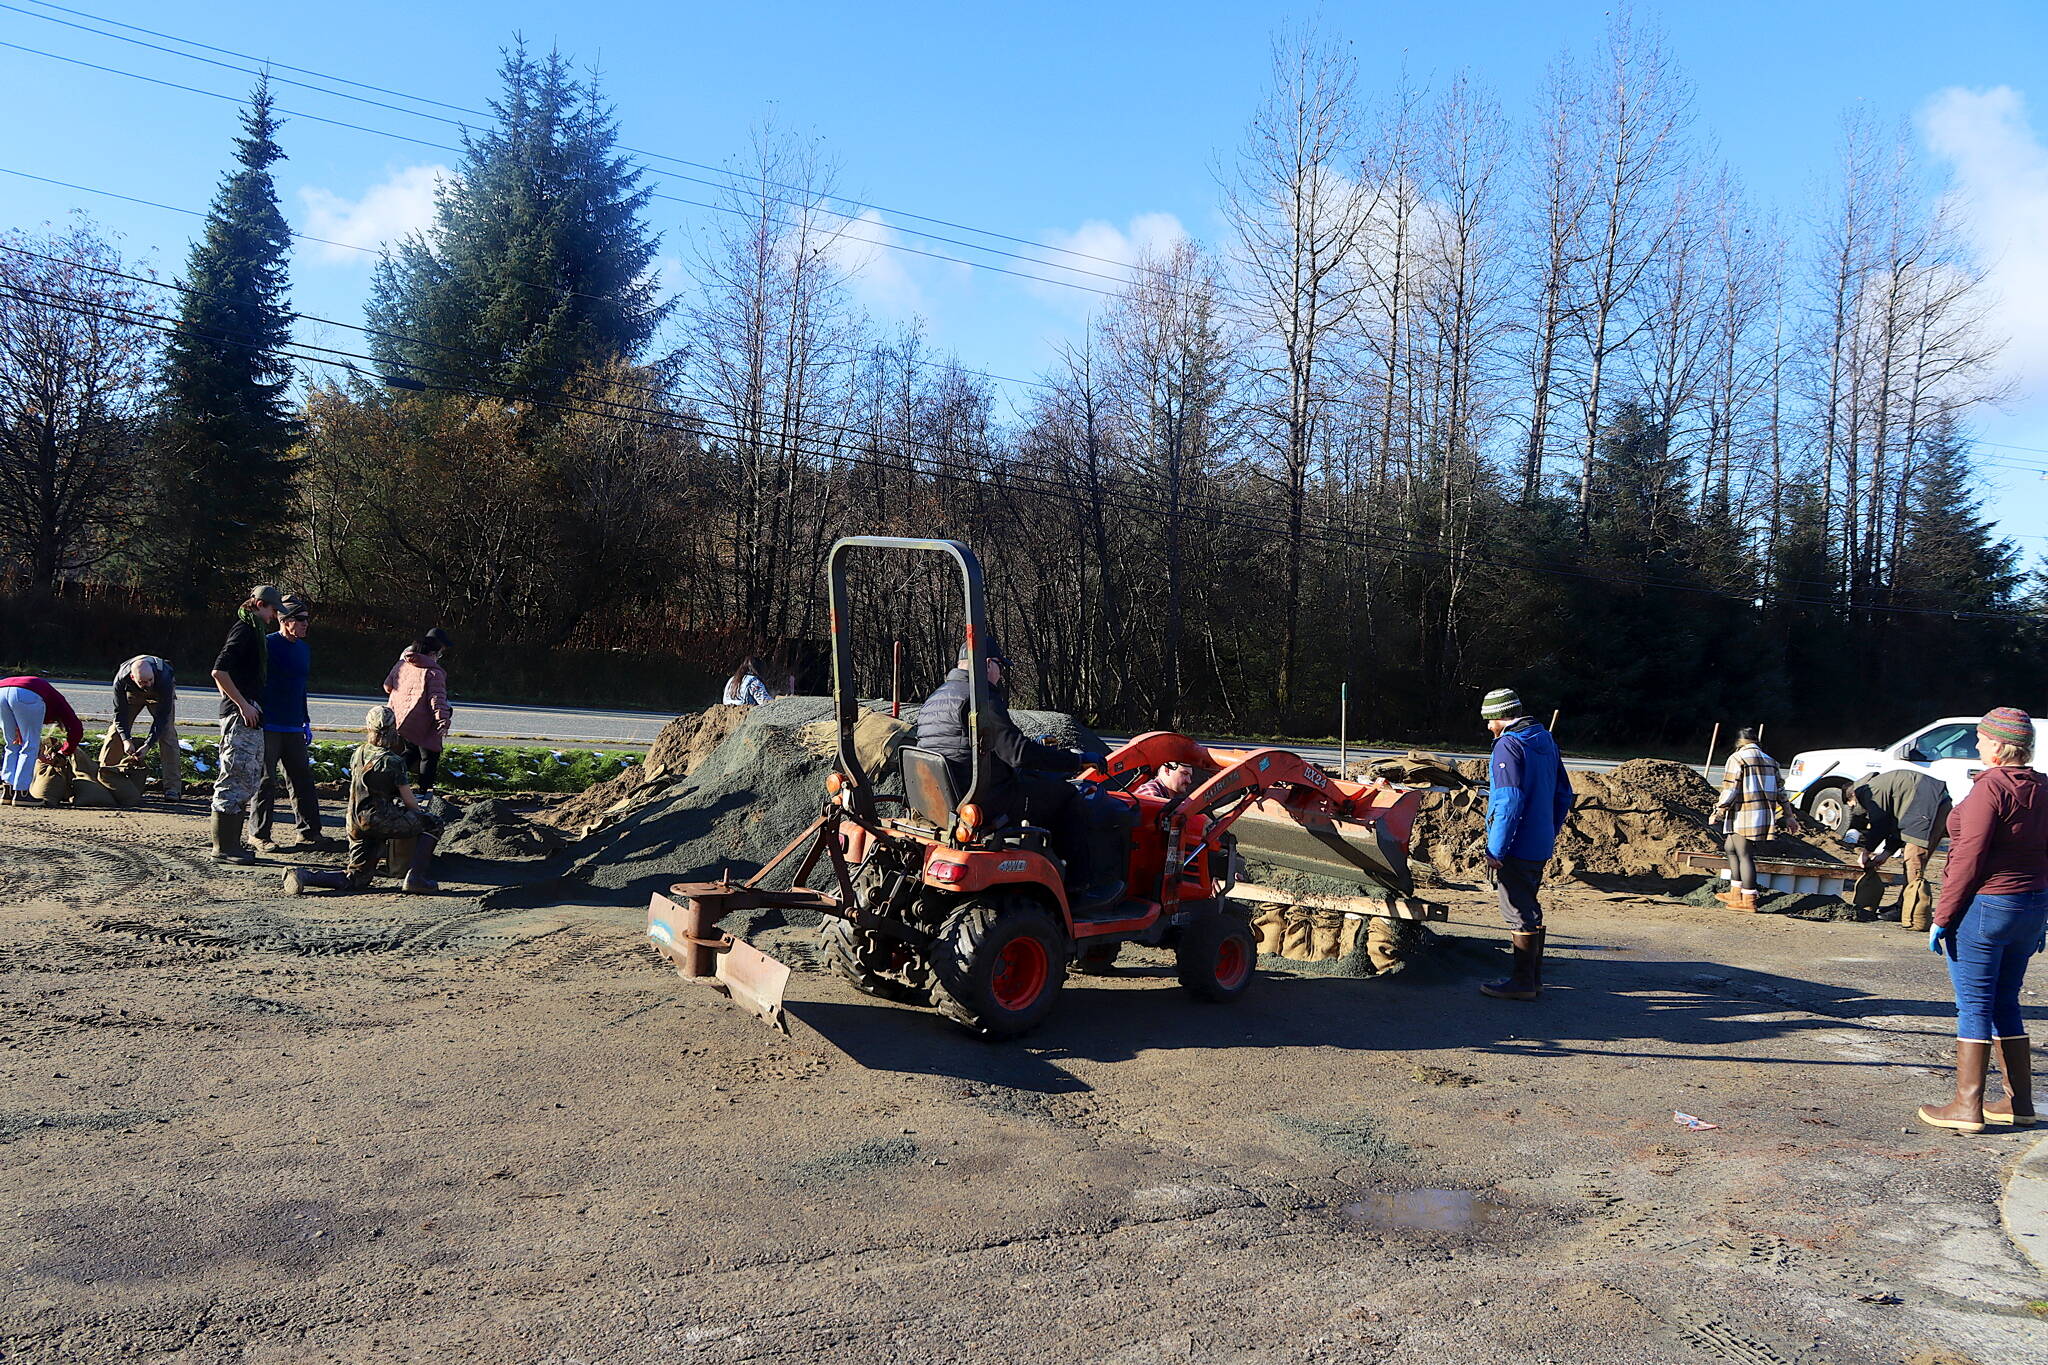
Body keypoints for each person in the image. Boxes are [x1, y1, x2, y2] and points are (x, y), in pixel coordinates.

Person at [912, 638, 1119, 911]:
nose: (1000, 675)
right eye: (1000, 667)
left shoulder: (936, 698)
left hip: (947, 799)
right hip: (987, 798)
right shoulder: (980, 698)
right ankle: (1079, 889)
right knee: (1069, 797)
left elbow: (970, 747)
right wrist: (1077, 760)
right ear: (987, 664)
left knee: (1039, 787)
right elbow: (1018, 753)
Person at [1918, 707, 2048, 1134]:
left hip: (1988, 906)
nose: (1976, 745)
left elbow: (1967, 858)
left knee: (1973, 1005)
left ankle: (1966, 1106)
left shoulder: (1991, 788)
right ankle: (2019, 1103)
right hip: (2031, 905)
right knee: (2006, 1000)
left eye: (1980, 738)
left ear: (1996, 745)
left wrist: (1943, 915)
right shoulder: (2043, 787)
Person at [283, 705, 442, 896]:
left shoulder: (358, 753)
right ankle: (416, 877)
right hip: (381, 819)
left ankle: (304, 876)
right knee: (433, 823)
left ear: (369, 727)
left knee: (358, 877)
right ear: (394, 728)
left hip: (356, 821)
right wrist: (420, 816)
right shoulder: (392, 761)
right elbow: (409, 801)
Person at [1479, 687, 1573, 1001]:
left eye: (1489, 720)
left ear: (1499, 716)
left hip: (1516, 845)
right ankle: (1533, 980)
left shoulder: (1508, 745)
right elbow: (1563, 795)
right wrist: (1549, 830)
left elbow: (1508, 801)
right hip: (1539, 841)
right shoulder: (1545, 739)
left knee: (1516, 909)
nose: (1488, 727)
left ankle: (1521, 984)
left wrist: (1496, 848)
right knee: (1529, 907)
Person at [249, 596, 330, 851]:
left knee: (302, 780)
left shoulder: (304, 649)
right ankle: (259, 834)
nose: (307, 625)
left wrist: (305, 720)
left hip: (294, 725)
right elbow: (252, 679)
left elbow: (301, 687)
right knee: (265, 781)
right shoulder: (267, 645)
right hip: (269, 724)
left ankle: (308, 832)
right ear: (286, 621)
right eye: (302, 620)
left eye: (308, 620)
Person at [209, 585, 282, 862]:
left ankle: (232, 843)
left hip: (250, 713)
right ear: (260, 604)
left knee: (247, 777)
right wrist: (242, 704)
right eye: (273, 610)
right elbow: (219, 670)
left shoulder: (254, 630)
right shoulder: (244, 629)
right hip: (241, 715)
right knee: (234, 776)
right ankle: (224, 848)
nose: (274, 616)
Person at [1844, 768, 1951, 932]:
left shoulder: (1869, 791)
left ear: (1852, 797)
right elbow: (1895, 824)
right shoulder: (1881, 786)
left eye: (1851, 805)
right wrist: (1886, 853)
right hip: (1935, 803)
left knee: (1913, 860)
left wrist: (1866, 851)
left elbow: (1880, 823)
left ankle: (1912, 913)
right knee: (1914, 861)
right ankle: (1903, 905)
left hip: (1927, 807)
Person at [1713, 727, 1793, 911]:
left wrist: (1719, 811)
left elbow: (1730, 789)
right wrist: (1789, 815)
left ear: (1738, 743)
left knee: (1744, 853)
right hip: (1762, 814)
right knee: (1730, 847)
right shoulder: (1770, 761)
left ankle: (1748, 899)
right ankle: (1735, 892)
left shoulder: (1737, 758)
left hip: (1744, 812)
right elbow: (1781, 792)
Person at [385, 630, 453, 790]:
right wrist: (443, 719)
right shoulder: (434, 672)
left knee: (411, 751)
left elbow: (387, 686)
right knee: (430, 755)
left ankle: (391, 784)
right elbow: (437, 699)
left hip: (403, 716)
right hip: (424, 720)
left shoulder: (402, 663)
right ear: (431, 653)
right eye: (439, 654)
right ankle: (424, 791)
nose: (439, 658)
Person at [0, 674, 82, 806]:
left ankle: (8, 791)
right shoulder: (59, 703)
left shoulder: (49, 697)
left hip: (1, 690)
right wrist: (64, 752)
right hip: (27, 692)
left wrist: (39, 754)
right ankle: (22, 793)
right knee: (30, 745)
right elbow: (76, 729)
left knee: (11, 745)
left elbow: (19, 734)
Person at [108, 655, 181, 799]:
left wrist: (148, 745)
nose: (147, 684)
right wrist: (126, 740)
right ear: (133, 677)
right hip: (132, 693)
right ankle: (106, 776)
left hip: (160, 693)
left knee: (167, 734)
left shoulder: (164, 678)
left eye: (150, 680)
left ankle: (172, 788)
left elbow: (162, 719)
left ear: (153, 675)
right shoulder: (121, 679)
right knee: (114, 732)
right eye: (143, 682)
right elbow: (119, 714)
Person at [1133, 760, 1198, 803]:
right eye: (1185, 773)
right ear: (1167, 770)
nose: (1189, 781)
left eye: (1190, 776)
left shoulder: (1165, 796)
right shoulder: (1151, 793)